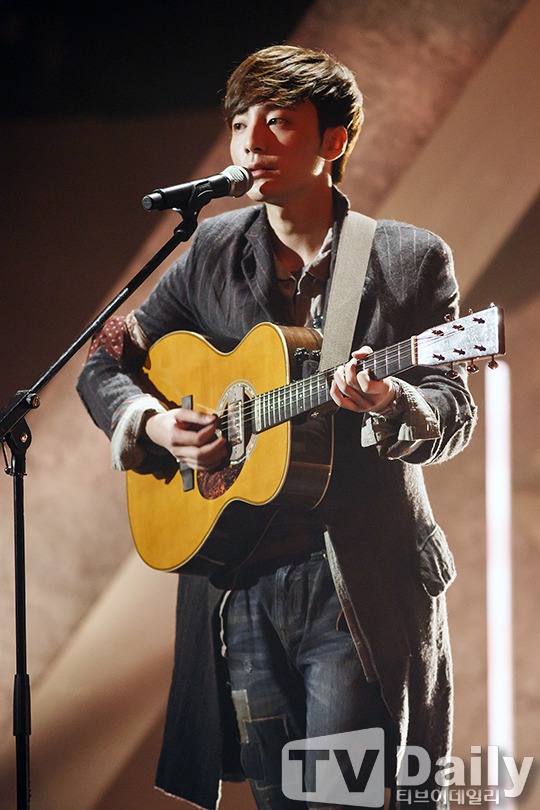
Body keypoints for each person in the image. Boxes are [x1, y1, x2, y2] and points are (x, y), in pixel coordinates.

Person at [77, 45, 477, 810]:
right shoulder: (210, 250)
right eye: (239, 123)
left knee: (340, 798)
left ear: (334, 140)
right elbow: (105, 358)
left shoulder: (408, 258)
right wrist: (155, 426)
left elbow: (451, 409)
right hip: (242, 585)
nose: (250, 141)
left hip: (356, 582)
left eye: (278, 123)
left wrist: (391, 400)